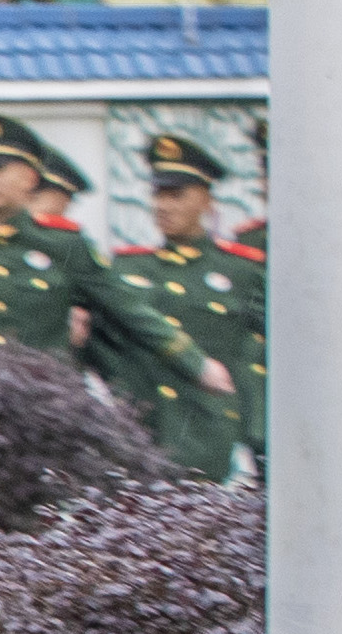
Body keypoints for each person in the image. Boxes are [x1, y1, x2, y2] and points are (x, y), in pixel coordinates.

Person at [0, 115, 228, 417]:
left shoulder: (64, 245)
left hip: (43, 407)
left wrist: (195, 363)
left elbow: (127, 308)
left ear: (30, 179)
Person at [106, 132, 268, 479]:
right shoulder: (127, 268)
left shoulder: (242, 270)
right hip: (143, 433)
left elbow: (275, 350)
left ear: (207, 200)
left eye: (176, 195)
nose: (163, 206)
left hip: (211, 439)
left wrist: (255, 427)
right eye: (158, 194)